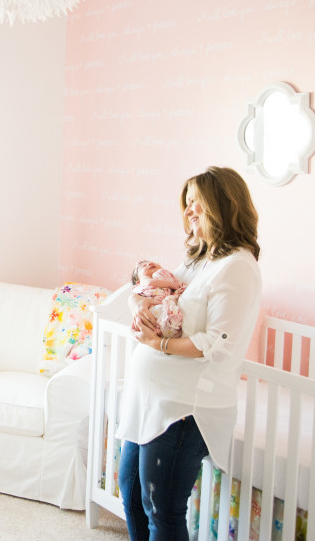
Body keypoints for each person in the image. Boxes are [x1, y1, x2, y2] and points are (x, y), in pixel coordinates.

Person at [116, 167, 262, 540]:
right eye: (187, 204)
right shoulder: (200, 259)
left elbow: (216, 342)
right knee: (132, 493)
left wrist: (157, 344)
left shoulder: (237, 266)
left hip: (184, 407)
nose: (189, 210)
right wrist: (136, 305)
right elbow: (153, 289)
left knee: (161, 508)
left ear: (223, 205)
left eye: (197, 202)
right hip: (151, 399)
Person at [130, 259, 186, 338]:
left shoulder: (163, 277)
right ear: (138, 283)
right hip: (153, 308)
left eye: (151, 262)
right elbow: (150, 283)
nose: (149, 264)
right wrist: (171, 285)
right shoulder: (144, 280)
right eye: (143, 266)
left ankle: (163, 329)